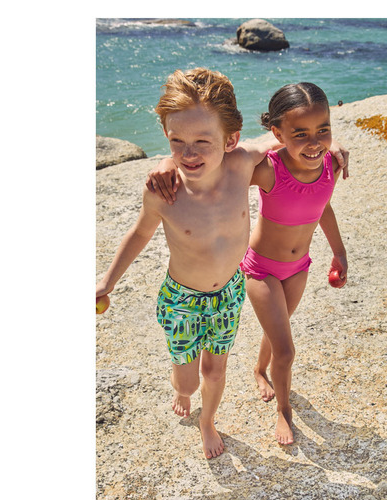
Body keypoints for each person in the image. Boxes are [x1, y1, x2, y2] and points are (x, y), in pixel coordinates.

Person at [96, 68, 289, 459]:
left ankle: (208, 421)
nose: (188, 154)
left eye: (203, 141)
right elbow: (140, 234)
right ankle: (183, 393)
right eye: (177, 142)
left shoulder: (242, 164)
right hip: (181, 301)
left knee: (215, 371)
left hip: (228, 295)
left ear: (230, 140)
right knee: (186, 382)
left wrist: (329, 144)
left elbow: (283, 138)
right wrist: (107, 281)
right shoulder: (164, 193)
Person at [147, 82, 348, 445]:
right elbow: (214, 164)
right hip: (260, 269)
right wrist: (167, 162)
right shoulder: (268, 169)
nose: (314, 141)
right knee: (286, 349)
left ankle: (259, 370)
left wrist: (340, 251)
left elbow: (323, 205)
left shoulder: (330, 165)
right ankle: (284, 413)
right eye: (300, 134)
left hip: (299, 267)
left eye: (323, 131)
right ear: (278, 134)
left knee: (277, 331)